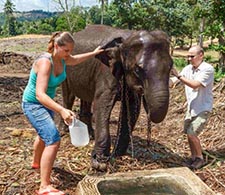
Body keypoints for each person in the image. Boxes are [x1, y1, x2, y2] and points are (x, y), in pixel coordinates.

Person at [21, 31, 103, 195]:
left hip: (46, 104)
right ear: (56, 46)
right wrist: (61, 109)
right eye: (66, 50)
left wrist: (94, 53)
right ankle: (44, 186)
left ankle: (36, 163)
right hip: (34, 104)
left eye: (71, 51)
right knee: (53, 139)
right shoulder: (45, 62)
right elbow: (40, 94)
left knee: (43, 135)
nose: (69, 54)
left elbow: (77, 59)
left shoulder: (63, 58)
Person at [171, 45, 214, 170]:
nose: (189, 59)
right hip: (191, 108)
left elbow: (195, 85)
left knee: (192, 133)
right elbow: (174, 81)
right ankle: (194, 157)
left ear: (201, 55)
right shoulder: (188, 69)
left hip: (203, 107)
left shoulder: (207, 69)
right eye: (188, 56)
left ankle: (200, 158)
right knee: (189, 134)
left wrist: (179, 76)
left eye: (192, 56)